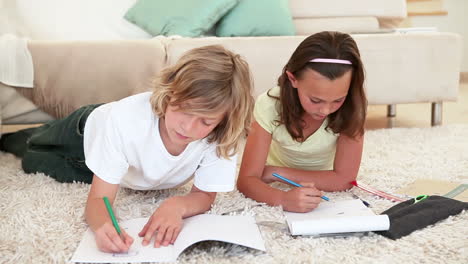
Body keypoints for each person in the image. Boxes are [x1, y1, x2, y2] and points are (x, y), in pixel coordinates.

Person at [0, 45, 254, 253]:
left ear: (223, 121)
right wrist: (102, 227)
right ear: (168, 93)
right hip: (81, 136)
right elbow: (99, 200)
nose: (188, 127)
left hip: (112, 163)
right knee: (29, 152)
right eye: (183, 110)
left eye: (205, 121)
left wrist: (177, 206)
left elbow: (205, 195)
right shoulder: (125, 121)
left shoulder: (221, 136)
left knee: (51, 162)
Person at [237, 31, 367, 213]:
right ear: (293, 79)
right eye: (315, 100)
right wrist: (282, 198)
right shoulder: (269, 105)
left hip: (280, 172)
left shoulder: (352, 107)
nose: (325, 110)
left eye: (338, 100)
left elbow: (344, 180)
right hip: (282, 175)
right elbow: (246, 180)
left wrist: (277, 173)